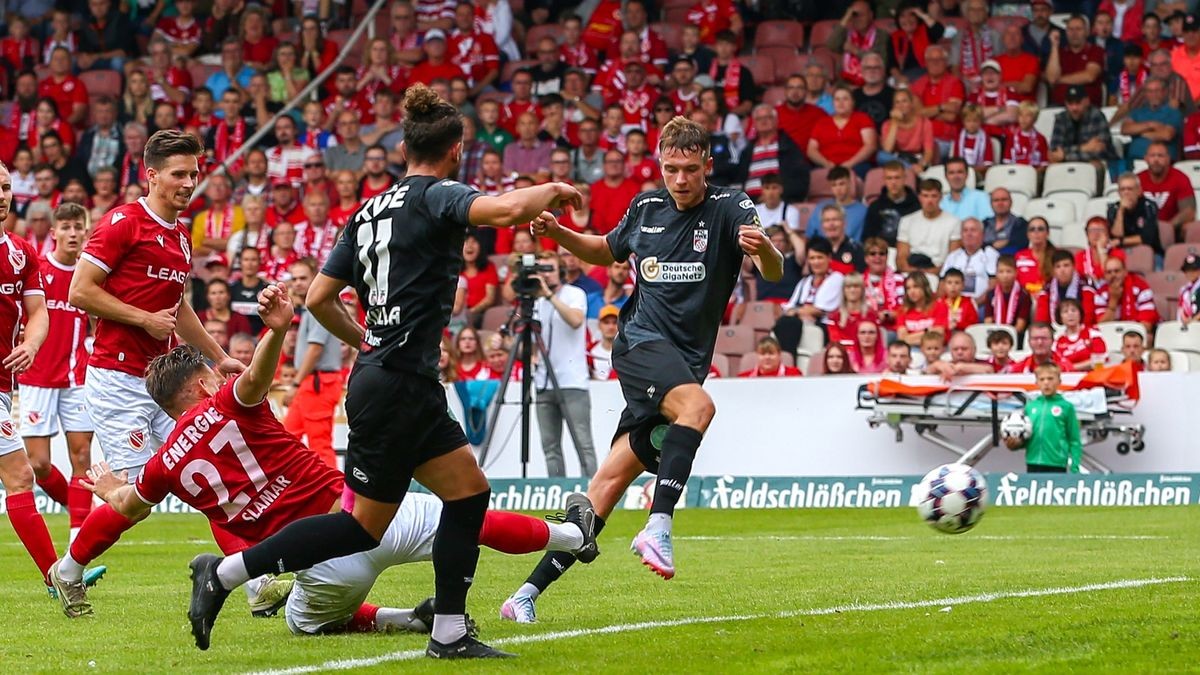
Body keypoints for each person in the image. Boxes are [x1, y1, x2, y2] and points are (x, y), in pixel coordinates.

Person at [184, 84, 587, 658]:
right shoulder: (439, 195)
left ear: (402, 149)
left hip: (391, 379)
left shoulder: (367, 210)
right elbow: (504, 210)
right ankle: (224, 575)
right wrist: (552, 187)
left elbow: (320, 297)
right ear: (455, 151)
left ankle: (448, 632)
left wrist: (367, 338)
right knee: (362, 529)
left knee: (465, 496)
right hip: (399, 383)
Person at [81, 285, 593, 637]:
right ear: (200, 385)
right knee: (468, 520)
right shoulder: (225, 401)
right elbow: (257, 378)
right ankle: (573, 535)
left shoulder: (163, 463)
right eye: (211, 376)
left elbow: (128, 505)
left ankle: (405, 619)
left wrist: (104, 488)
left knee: (302, 624)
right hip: (361, 516)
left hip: (322, 571)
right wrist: (277, 330)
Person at [502, 116, 783, 618]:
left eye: (691, 170)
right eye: (671, 169)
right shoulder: (646, 207)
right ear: (660, 164)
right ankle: (658, 526)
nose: (680, 179)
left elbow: (773, 269)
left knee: (603, 489)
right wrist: (561, 232)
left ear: (707, 167)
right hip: (638, 344)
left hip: (681, 363)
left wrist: (767, 251)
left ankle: (523, 596)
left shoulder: (730, 206)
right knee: (698, 408)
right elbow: (605, 251)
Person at [50, 130, 247, 618]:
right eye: (179, 174)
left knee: (210, 473)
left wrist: (217, 356)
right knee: (139, 496)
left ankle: (254, 577)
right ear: (151, 174)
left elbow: (177, 308)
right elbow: (80, 291)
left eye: (194, 174)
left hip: (163, 381)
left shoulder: (180, 235)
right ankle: (69, 570)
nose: (188, 183)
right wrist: (140, 318)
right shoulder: (122, 224)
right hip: (117, 379)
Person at [0, 163, 61, 595]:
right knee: (21, 475)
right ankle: (58, 578)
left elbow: (39, 312)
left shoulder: (21, 253)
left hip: (5, 386)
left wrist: (33, 344)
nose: (2, 194)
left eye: (5, 187)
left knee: (21, 476)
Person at [530, 250, 597, 479]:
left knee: (582, 443)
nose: (545, 275)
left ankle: (593, 494)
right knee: (550, 447)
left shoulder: (574, 294)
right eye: (541, 269)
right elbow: (529, 343)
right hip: (543, 382)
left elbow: (576, 321)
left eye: (549, 269)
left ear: (561, 271)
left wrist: (549, 295)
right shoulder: (536, 302)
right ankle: (555, 489)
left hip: (572, 381)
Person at [1005, 363, 1082, 473]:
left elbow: (1074, 440)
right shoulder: (1031, 407)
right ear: (1036, 383)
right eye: (1042, 379)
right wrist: (1015, 444)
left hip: (1057, 463)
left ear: (1059, 381)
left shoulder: (1066, 407)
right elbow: (1026, 435)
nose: (1046, 383)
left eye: (1050, 379)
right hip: (1033, 462)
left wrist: (1075, 467)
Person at [776, 238, 844, 355]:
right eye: (812, 258)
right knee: (783, 322)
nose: (816, 262)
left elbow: (818, 311)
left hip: (825, 326)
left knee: (789, 323)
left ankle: (788, 359)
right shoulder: (805, 282)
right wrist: (799, 312)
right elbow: (789, 308)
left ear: (829, 257)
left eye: (820, 257)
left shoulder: (836, 278)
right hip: (800, 323)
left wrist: (796, 311)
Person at [739, 104, 810, 202]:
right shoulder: (747, 151)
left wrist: (773, 197)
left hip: (781, 203)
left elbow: (800, 180)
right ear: (754, 123)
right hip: (750, 204)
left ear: (776, 121)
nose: (763, 121)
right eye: (759, 119)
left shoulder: (788, 147)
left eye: (768, 117)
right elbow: (739, 180)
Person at [807, 85, 878, 178]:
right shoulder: (822, 122)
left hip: (857, 166)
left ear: (853, 102)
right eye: (837, 99)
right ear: (832, 103)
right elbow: (811, 150)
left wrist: (849, 164)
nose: (841, 103)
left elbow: (870, 146)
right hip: (827, 166)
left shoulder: (862, 118)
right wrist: (826, 164)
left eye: (845, 99)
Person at [910, 45, 965, 159]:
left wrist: (926, 112)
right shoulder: (917, 85)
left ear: (946, 62)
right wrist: (941, 107)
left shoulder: (955, 83)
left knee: (932, 149)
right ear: (925, 62)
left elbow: (952, 116)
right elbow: (916, 114)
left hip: (946, 140)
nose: (935, 63)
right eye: (931, 60)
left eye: (939, 59)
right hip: (920, 138)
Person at [897, 178, 962, 271]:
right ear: (919, 197)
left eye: (934, 196)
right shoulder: (907, 221)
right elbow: (901, 256)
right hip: (911, 271)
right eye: (925, 196)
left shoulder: (954, 222)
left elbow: (953, 258)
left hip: (937, 272)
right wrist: (913, 272)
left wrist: (929, 273)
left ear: (941, 197)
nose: (929, 201)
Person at [1138, 141, 1195, 239]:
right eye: (1152, 156)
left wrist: (1166, 228)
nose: (1156, 160)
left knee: (1189, 227)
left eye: (1160, 156)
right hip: (1143, 230)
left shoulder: (1180, 178)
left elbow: (1189, 211)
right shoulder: (1138, 180)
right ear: (1146, 159)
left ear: (1168, 159)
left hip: (1174, 229)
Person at [1049, 85, 1114, 168]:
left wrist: (1065, 155)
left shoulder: (1096, 116)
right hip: (1072, 163)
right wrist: (1083, 148)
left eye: (1078, 103)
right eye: (1070, 104)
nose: (1074, 108)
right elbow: (1055, 152)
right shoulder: (1061, 119)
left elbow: (1099, 152)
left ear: (1087, 101)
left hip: (1100, 164)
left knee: (1095, 164)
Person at [1047, 15, 1106, 106]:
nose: (1074, 33)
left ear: (1087, 32)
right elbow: (1051, 78)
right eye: (1070, 29)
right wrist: (1054, 46)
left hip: (1087, 107)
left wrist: (1059, 80)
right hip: (1059, 105)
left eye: (1078, 29)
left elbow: (1089, 76)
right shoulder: (1059, 53)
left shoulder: (1096, 51)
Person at [1121, 78, 1182, 162]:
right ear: (1145, 94)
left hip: (1162, 161)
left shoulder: (1173, 112)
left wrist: (1138, 133)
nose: (1153, 94)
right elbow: (1125, 129)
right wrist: (1150, 125)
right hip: (1134, 160)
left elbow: (1166, 135)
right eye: (1149, 91)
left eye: (1157, 91)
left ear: (1164, 92)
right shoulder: (1137, 111)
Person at [877, 88, 937, 172]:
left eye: (904, 101)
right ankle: (909, 168)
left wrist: (921, 165)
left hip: (917, 159)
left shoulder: (924, 122)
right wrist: (895, 122)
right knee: (881, 156)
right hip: (896, 161)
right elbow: (887, 150)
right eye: (897, 102)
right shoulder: (887, 124)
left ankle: (910, 168)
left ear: (911, 103)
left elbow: (928, 152)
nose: (900, 105)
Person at [942, 217, 998, 303]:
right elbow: (942, 284)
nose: (969, 234)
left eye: (973, 230)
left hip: (981, 304)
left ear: (983, 235)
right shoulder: (953, 256)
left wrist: (973, 304)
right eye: (965, 230)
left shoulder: (990, 254)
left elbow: (994, 284)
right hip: (953, 304)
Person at [1096, 256, 1158, 333]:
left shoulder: (1141, 287)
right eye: (1109, 272)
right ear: (1104, 276)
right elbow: (1101, 327)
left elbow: (1146, 325)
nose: (1113, 275)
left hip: (1136, 335)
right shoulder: (1101, 293)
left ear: (1125, 272)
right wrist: (1113, 301)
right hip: (1112, 335)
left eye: (1117, 271)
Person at [864, 161, 919, 246]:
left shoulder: (917, 206)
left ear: (904, 178)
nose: (893, 182)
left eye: (897, 178)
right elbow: (868, 238)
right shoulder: (875, 207)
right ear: (884, 180)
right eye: (889, 178)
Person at [1035, 250, 1098, 325]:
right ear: (1053, 270)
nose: (1062, 270)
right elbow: (1041, 319)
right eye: (1058, 266)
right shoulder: (1047, 288)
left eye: (1066, 265)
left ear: (1074, 267)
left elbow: (1088, 317)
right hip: (1055, 331)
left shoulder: (1086, 285)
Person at [805, 166, 867, 241]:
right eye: (834, 185)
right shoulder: (821, 207)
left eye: (841, 184)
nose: (838, 189)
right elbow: (809, 236)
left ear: (850, 184)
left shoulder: (863, 211)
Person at [982, 255, 1032, 337]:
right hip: (994, 336)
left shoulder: (1023, 295)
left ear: (1016, 273)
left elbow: (1020, 326)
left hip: (1016, 336)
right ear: (996, 274)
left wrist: (1006, 337)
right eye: (1001, 272)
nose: (1005, 276)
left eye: (1009, 271)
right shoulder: (991, 294)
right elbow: (988, 321)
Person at [1054, 298, 1107, 371]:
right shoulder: (1057, 341)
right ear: (1060, 317)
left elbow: (1100, 359)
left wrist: (1072, 367)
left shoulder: (1093, 334)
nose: (1070, 314)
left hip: (1091, 375)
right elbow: (1057, 365)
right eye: (1065, 311)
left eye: (1074, 310)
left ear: (1080, 313)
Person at [895, 273, 944, 346]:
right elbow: (902, 339)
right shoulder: (903, 310)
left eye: (916, 287)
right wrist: (927, 331)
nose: (912, 291)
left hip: (934, 350)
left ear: (924, 287)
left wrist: (910, 337)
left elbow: (938, 336)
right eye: (908, 288)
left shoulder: (939, 306)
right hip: (911, 349)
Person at [1076, 216, 1127, 286]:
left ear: (1108, 234)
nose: (1096, 234)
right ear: (1087, 235)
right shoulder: (1080, 256)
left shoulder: (1117, 254)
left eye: (1100, 230)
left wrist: (1101, 249)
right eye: (1092, 230)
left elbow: (1110, 278)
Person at [925, 331, 992, 380]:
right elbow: (926, 371)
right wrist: (936, 365)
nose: (959, 352)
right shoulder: (945, 365)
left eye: (964, 349)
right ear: (950, 351)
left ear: (974, 349)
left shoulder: (984, 364)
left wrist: (962, 367)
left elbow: (989, 370)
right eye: (955, 349)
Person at [1015, 216, 1055, 295]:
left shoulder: (1057, 255)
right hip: (1024, 300)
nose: (1036, 232)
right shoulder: (1019, 256)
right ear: (1028, 234)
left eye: (1040, 229)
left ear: (1047, 233)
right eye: (1032, 229)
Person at [589, 304, 620, 379]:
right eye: (606, 322)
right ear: (599, 325)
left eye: (615, 322)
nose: (611, 327)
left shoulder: (628, 352)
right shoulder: (590, 352)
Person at [1177, 253, 1200, 322]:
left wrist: (1193, 320)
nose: (1190, 273)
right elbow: (1180, 308)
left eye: (1194, 270)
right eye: (1187, 270)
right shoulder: (1184, 290)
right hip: (1187, 325)